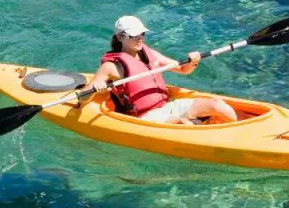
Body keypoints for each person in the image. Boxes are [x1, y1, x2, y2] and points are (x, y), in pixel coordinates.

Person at [85, 15, 238, 125]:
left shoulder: (151, 54)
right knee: (183, 123)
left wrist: (193, 61)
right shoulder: (112, 66)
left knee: (217, 104)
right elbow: (84, 95)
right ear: (120, 37)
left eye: (142, 34)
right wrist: (96, 88)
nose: (140, 38)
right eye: (133, 35)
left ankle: (235, 132)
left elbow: (184, 70)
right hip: (146, 118)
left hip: (167, 105)